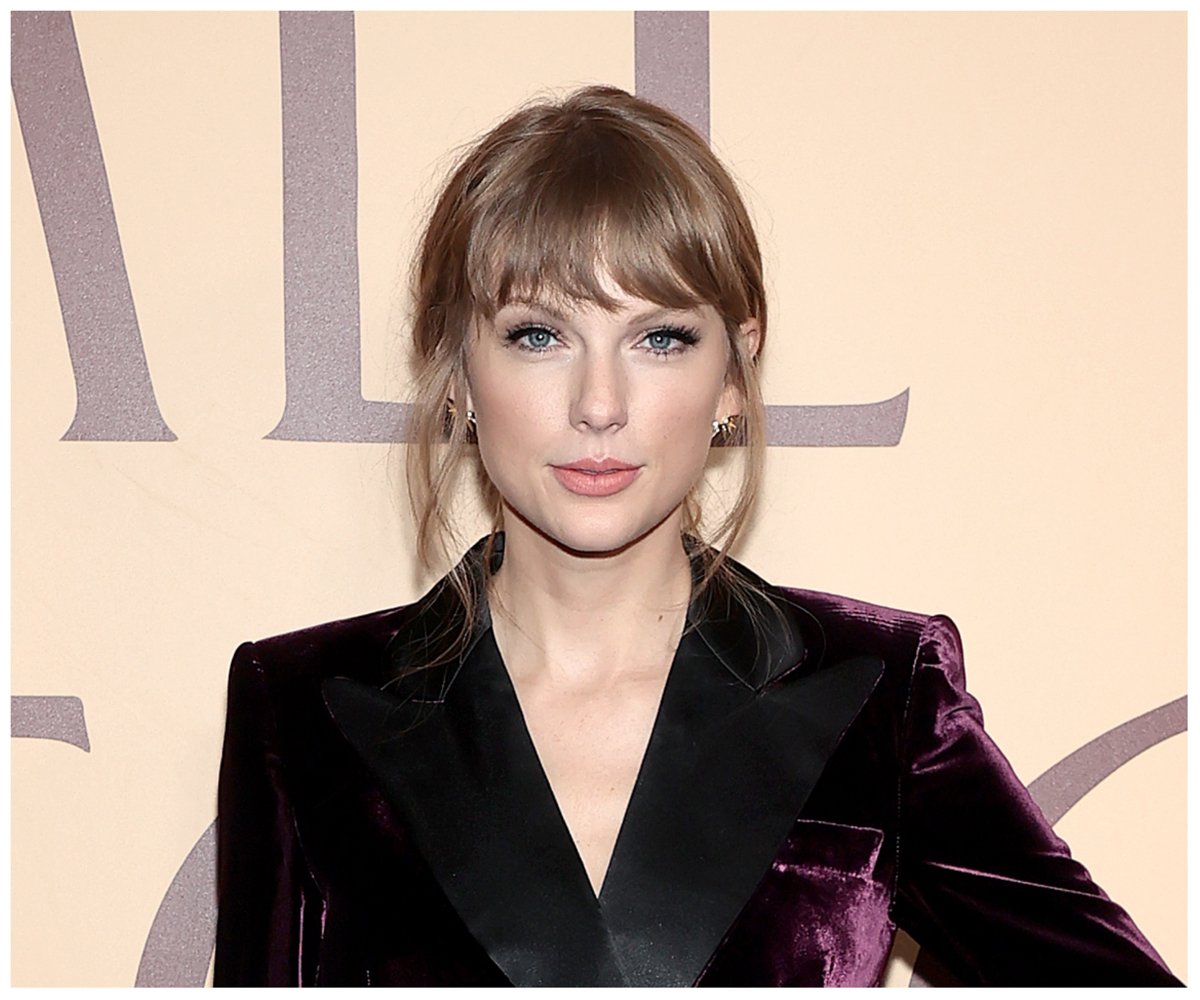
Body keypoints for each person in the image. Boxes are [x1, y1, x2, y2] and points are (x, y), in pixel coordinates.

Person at [214, 85, 1180, 987]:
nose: (600, 404)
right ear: (457, 370)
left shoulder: (878, 693)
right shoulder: (302, 711)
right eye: (537, 335)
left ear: (733, 372)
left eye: (660, 337)